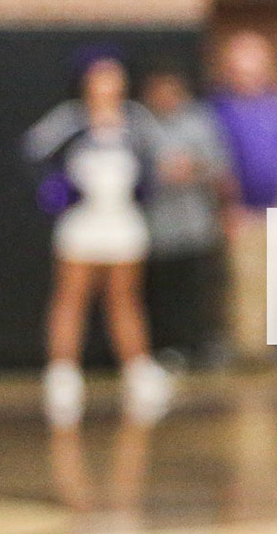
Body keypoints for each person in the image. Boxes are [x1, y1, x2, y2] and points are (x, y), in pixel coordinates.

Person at [24, 56, 172, 429]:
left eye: (113, 76)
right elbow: (34, 151)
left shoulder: (136, 120)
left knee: (125, 297)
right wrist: (57, 193)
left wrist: (148, 188)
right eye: (99, 77)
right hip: (82, 221)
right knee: (71, 296)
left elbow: (158, 158)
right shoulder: (70, 120)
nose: (107, 84)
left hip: (121, 220)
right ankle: (62, 375)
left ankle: (137, 370)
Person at [210, 32, 277, 364]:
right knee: (245, 286)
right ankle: (247, 357)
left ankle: (269, 353)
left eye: (257, 68)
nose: (250, 76)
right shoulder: (219, 109)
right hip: (242, 213)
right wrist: (228, 208)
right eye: (243, 69)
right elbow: (219, 164)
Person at [140, 65, 234, 368]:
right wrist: (157, 172)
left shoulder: (199, 122)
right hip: (156, 229)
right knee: (162, 294)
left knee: (198, 291)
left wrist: (193, 168)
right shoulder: (141, 125)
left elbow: (220, 167)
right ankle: (167, 349)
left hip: (195, 226)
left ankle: (199, 348)